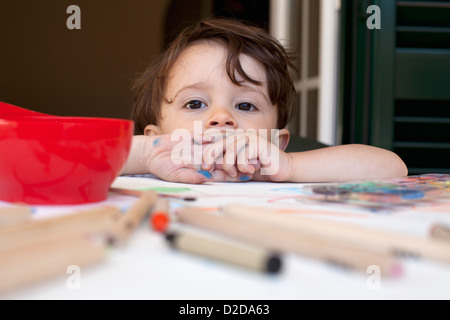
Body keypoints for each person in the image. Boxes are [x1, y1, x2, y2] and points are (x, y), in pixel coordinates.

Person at [121, 17, 407, 184]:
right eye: (195, 103)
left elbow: (394, 168)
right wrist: (147, 155)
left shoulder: (274, 173)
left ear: (275, 142)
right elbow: (77, 155)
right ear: (154, 136)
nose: (221, 117)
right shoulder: (151, 167)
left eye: (245, 105)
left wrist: (291, 167)